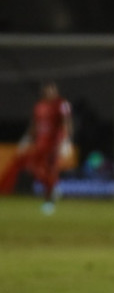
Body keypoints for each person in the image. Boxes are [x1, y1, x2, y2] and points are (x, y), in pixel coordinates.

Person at [0, 81, 74, 214]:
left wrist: (66, 141)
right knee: (33, 168)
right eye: (47, 90)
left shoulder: (62, 104)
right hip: (40, 145)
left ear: (56, 91)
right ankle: (54, 188)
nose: (49, 93)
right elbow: (34, 125)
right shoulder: (39, 106)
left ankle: (49, 202)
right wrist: (26, 139)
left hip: (54, 145)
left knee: (51, 171)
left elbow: (66, 122)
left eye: (52, 90)